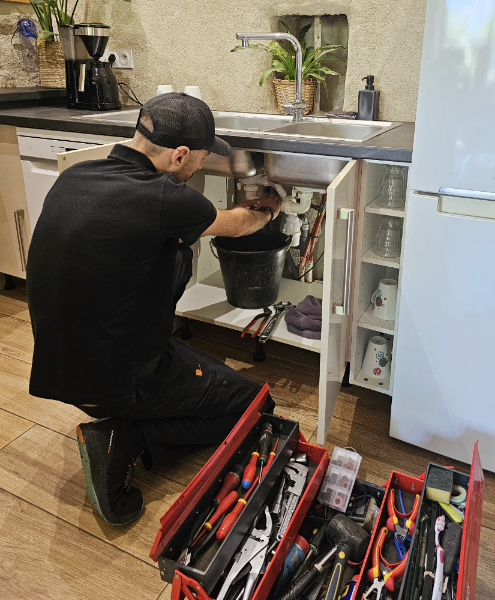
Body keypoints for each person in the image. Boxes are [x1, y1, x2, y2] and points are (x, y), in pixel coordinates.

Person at [26, 92, 282, 526]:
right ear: (180, 154)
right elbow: (238, 224)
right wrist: (270, 208)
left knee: (176, 259)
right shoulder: (166, 199)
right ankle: (124, 438)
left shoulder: (77, 176)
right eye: (200, 158)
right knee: (257, 406)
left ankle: (126, 418)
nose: (201, 166)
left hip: (63, 368)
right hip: (121, 376)